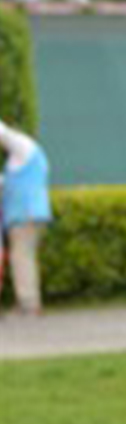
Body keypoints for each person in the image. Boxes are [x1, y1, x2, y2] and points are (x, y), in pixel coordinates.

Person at [0, 118, 53, 316]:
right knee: (23, 257)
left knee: (21, 258)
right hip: (27, 216)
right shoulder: (17, 163)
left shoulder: (25, 148)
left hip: (26, 216)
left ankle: (28, 305)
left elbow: (3, 133)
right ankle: (29, 303)